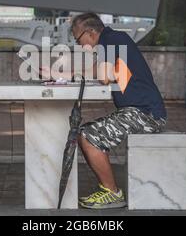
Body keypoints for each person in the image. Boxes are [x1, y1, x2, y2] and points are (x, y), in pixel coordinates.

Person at [70, 12, 167, 209]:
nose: (79, 45)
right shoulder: (113, 40)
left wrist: (72, 73)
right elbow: (104, 73)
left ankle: (112, 193)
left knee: (89, 137)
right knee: (83, 134)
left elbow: (104, 77)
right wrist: (64, 73)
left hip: (146, 114)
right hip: (138, 111)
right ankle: (108, 190)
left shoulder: (112, 40)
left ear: (89, 32)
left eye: (77, 39)